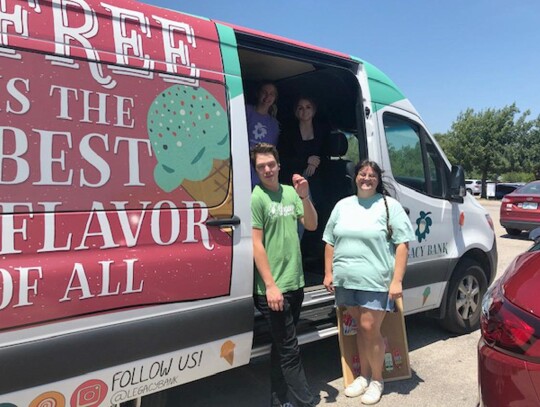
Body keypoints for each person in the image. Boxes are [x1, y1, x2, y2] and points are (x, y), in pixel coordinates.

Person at [322, 160, 414, 405]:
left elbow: (403, 244)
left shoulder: (388, 206)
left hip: (376, 279)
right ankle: (363, 375)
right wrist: (328, 273)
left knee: (368, 327)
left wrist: (397, 280)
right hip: (346, 279)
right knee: (362, 330)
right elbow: (330, 241)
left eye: (372, 175)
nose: (366, 178)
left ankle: (377, 379)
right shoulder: (343, 205)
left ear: (378, 180)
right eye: (362, 174)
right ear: (355, 177)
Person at [251, 142, 318, 407]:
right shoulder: (257, 197)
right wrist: (270, 285)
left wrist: (305, 196)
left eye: (270, 164)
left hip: (296, 282)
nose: (267, 170)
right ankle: (305, 401)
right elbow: (256, 244)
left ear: (278, 165)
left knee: (280, 349)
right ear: (256, 170)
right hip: (272, 289)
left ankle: (279, 401)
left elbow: (311, 225)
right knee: (290, 349)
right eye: (261, 166)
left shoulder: (291, 193)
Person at [278, 96, 327, 189]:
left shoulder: (321, 131)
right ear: (296, 111)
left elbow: (325, 154)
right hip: (291, 180)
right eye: (300, 108)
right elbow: (283, 158)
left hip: (317, 181)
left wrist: (315, 163)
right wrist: (306, 161)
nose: (304, 110)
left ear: (314, 110)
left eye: (308, 107)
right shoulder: (288, 133)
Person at [246, 82, 280, 187]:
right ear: (258, 94)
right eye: (264, 92)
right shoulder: (246, 110)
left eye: (271, 94)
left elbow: (271, 152)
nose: (267, 96)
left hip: (258, 171)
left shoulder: (274, 124)